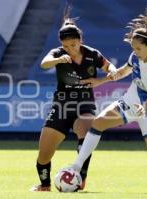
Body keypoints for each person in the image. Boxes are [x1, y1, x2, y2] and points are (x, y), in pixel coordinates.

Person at [69, 5, 147, 195]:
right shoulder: (136, 56)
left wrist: (146, 106)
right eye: (133, 48)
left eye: (138, 48)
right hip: (130, 102)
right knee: (98, 123)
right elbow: (122, 72)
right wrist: (100, 80)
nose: (135, 52)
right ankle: (77, 166)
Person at [30, 6, 118, 191]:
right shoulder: (58, 54)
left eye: (73, 45)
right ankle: (45, 185)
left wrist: (102, 78)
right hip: (62, 105)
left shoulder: (92, 54)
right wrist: (58, 60)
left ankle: (80, 178)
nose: (70, 49)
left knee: (85, 134)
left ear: (80, 40)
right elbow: (44, 63)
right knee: (44, 154)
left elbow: (110, 68)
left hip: (84, 104)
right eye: (66, 46)